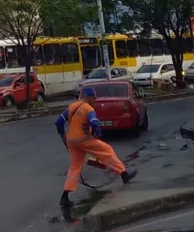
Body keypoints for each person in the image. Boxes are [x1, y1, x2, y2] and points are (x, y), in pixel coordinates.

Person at [56, 86, 137, 221]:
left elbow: (59, 122)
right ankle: (124, 174)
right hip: (84, 139)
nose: (95, 101)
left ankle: (64, 197)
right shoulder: (88, 109)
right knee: (107, 151)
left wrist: (63, 136)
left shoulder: (71, 107)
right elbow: (94, 122)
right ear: (88, 97)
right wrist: (97, 133)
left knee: (75, 167)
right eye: (94, 98)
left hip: (72, 141)